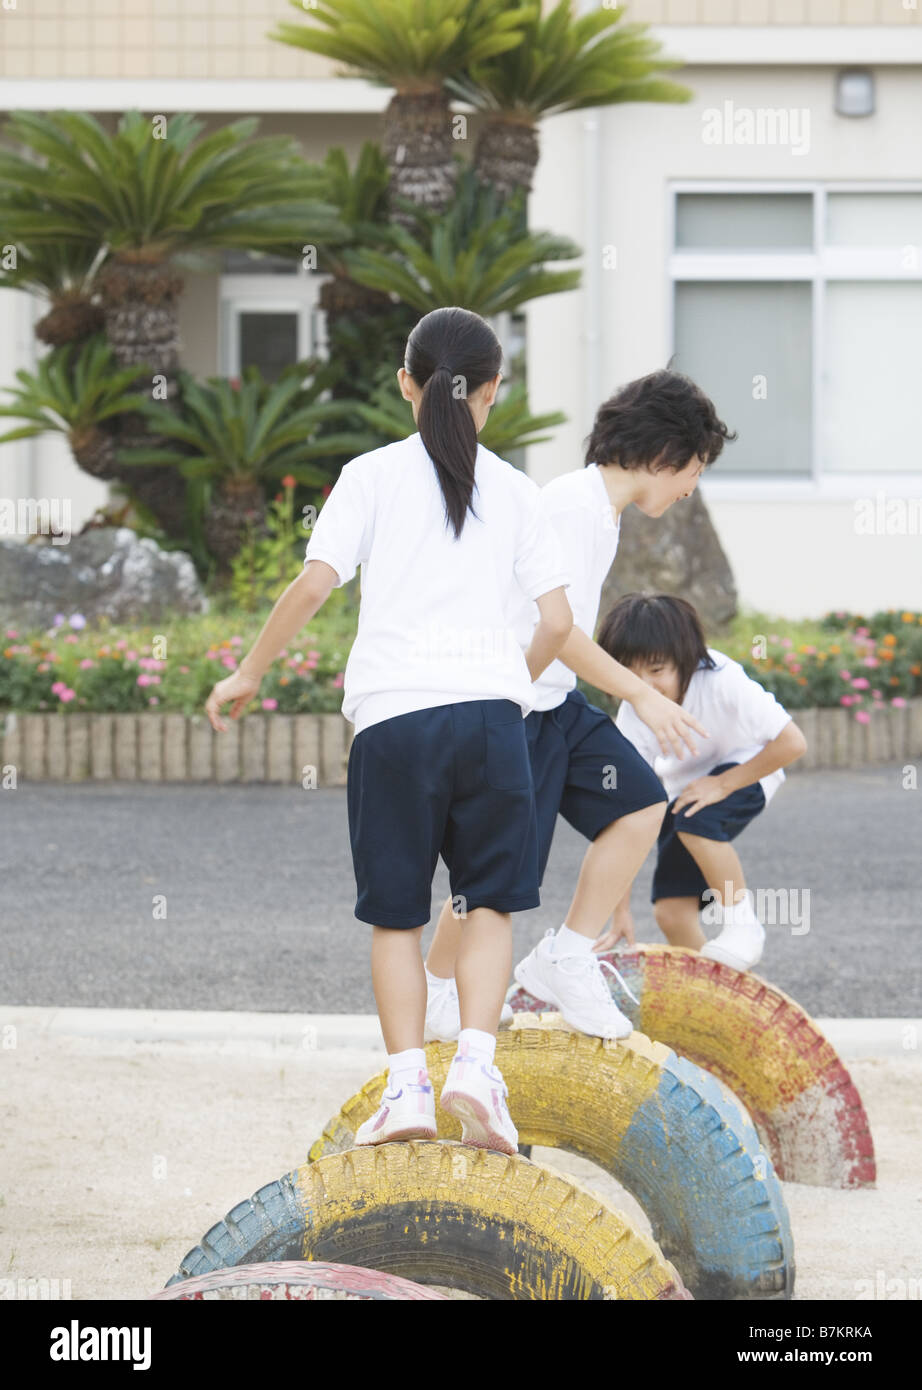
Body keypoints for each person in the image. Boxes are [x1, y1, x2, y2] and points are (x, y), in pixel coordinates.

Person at [205, 306, 573, 1156]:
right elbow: (555, 623)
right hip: (491, 724)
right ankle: (476, 1069)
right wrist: (501, 692)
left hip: (394, 726)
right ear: (493, 393)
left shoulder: (369, 474)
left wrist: (249, 671)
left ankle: (408, 1086)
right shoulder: (517, 491)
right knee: (488, 906)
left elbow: (313, 585)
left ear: (406, 383)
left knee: (398, 918)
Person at [423, 369, 735, 1040]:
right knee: (493, 869)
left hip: (555, 704)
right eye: (694, 470)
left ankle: (566, 955)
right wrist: (644, 694)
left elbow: (568, 638)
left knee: (642, 803)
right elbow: (556, 630)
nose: (691, 488)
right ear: (663, 454)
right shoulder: (568, 504)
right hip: (516, 708)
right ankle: (436, 987)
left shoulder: (602, 512)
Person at [599, 592, 807, 971]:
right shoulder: (633, 714)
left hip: (748, 767)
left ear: (687, 658)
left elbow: (793, 742)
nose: (644, 685)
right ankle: (717, 987)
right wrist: (620, 912)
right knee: (670, 914)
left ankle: (744, 928)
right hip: (684, 793)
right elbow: (623, 817)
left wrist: (724, 784)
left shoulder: (722, 678)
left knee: (697, 822)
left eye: (657, 670)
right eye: (629, 674)